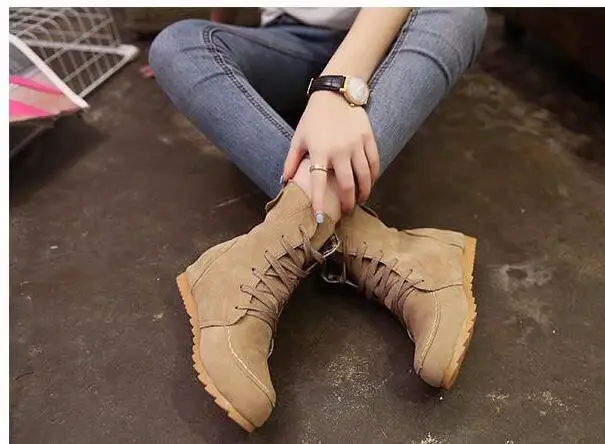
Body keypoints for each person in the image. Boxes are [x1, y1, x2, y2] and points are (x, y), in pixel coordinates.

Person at [150, 7, 487, 432]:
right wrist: (216, 47)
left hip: (396, 34)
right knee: (178, 46)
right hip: (290, 41)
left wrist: (336, 88)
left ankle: (264, 247)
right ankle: (381, 247)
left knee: (460, 10)